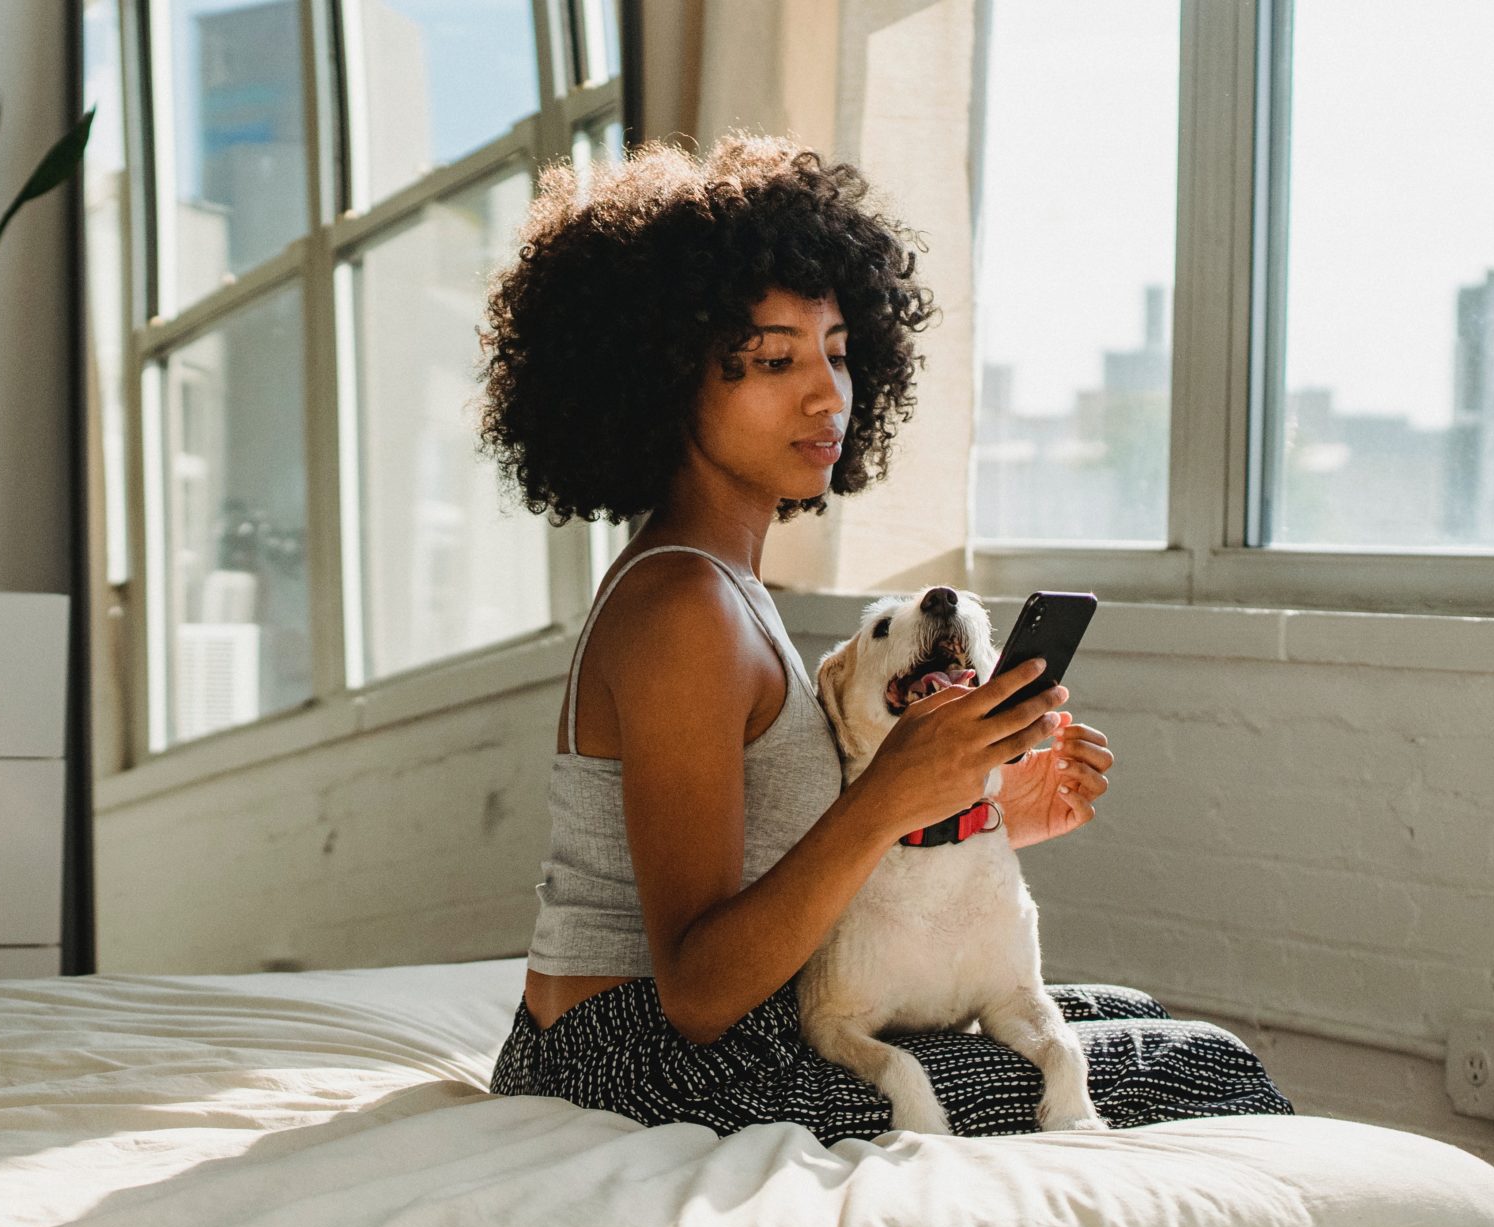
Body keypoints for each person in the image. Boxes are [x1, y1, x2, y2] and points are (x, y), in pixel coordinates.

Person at [476, 134, 1291, 1138]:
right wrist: (895, 793)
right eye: (775, 359)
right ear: (664, 378)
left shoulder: (720, 582)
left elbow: (778, 868)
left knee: (1130, 1015)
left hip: (664, 1042)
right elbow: (694, 987)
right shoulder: (684, 605)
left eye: (838, 351)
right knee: (1197, 1065)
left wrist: (967, 807)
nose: (827, 394)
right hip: (639, 1065)